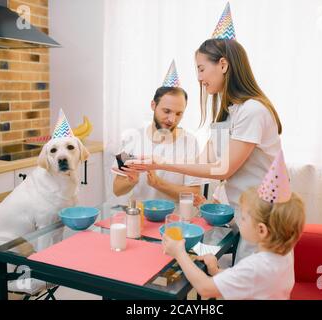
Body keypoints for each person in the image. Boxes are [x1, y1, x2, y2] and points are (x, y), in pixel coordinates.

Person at [127, 3, 282, 262]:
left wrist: (162, 163)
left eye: (200, 68)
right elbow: (203, 162)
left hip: (265, 217)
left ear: (222, 64)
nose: (199, 78)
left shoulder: (252, 111)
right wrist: (147, 163)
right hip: (243, 213)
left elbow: (222, 170)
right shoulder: (229, 113)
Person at [162, 151, 306, 299]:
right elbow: (249, 282)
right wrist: (216, 271)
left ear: (261, 230)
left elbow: (205, 288)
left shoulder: (255, 266)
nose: (239, 220)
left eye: (242, 218)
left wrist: (179, 253)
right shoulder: (282, 258)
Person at [112, 60, 204, 202]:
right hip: (141, 218)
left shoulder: (190, 142)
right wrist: (130, 181)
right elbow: (117, 189)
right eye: (166, 111)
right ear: (153, 105)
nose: (172, 119)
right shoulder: (131, 138)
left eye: (179, 113)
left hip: (175, 221)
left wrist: (158, 183)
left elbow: (195, 195)